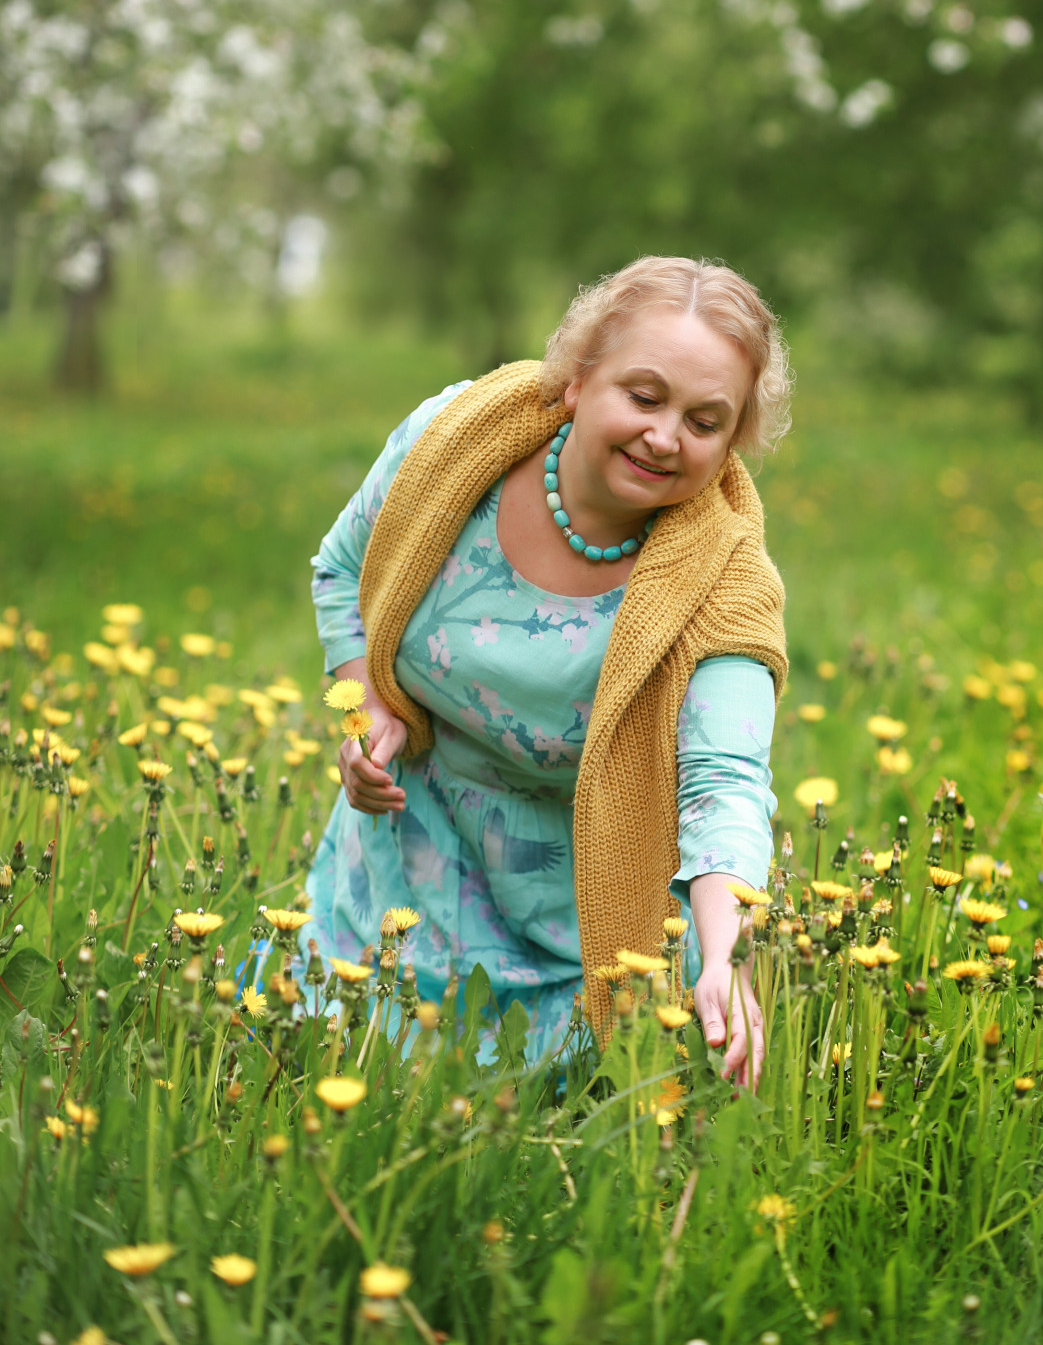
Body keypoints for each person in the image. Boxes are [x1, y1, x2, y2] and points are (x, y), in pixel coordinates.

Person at [305, 255, 790, 1085]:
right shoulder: (452, 443)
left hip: (576, 932)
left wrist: (727, 958)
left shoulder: (727, 584)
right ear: (574, 381)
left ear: (731, 444)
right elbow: (343, 569)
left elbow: (724, 786)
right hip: (386, 880)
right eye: (643, 397)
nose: (665, 436)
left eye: (705, 422)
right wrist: (371, 709)